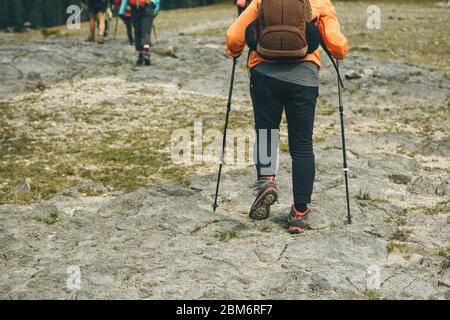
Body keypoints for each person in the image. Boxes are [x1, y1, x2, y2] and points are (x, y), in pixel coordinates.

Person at [226, 0, 348, 235]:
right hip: (304, 78)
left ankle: (267, 181)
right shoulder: (320, 2)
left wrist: (234, 52)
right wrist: (340, 47)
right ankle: (299, 213)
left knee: (266, 134)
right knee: (302, 145)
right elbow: (337, 46)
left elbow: (234, 37)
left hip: (264, 74)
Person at [125, 0, 160, 66]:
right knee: (146, 31)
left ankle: (140, 56)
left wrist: (127, 5)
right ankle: (146, 52)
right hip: (148, 7)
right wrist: (156, 8)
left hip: (135, 8)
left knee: (137, 32)